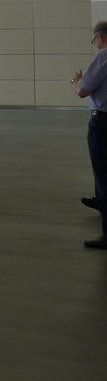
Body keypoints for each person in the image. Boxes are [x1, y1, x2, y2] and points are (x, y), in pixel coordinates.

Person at [72, 21, 107, 249]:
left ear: (100, 37)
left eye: (94, 39)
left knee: (103, 172)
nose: (94, 43)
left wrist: (75, 81)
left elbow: (83, 90)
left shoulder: (103, 57)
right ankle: (100, 202)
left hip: (103, 121)